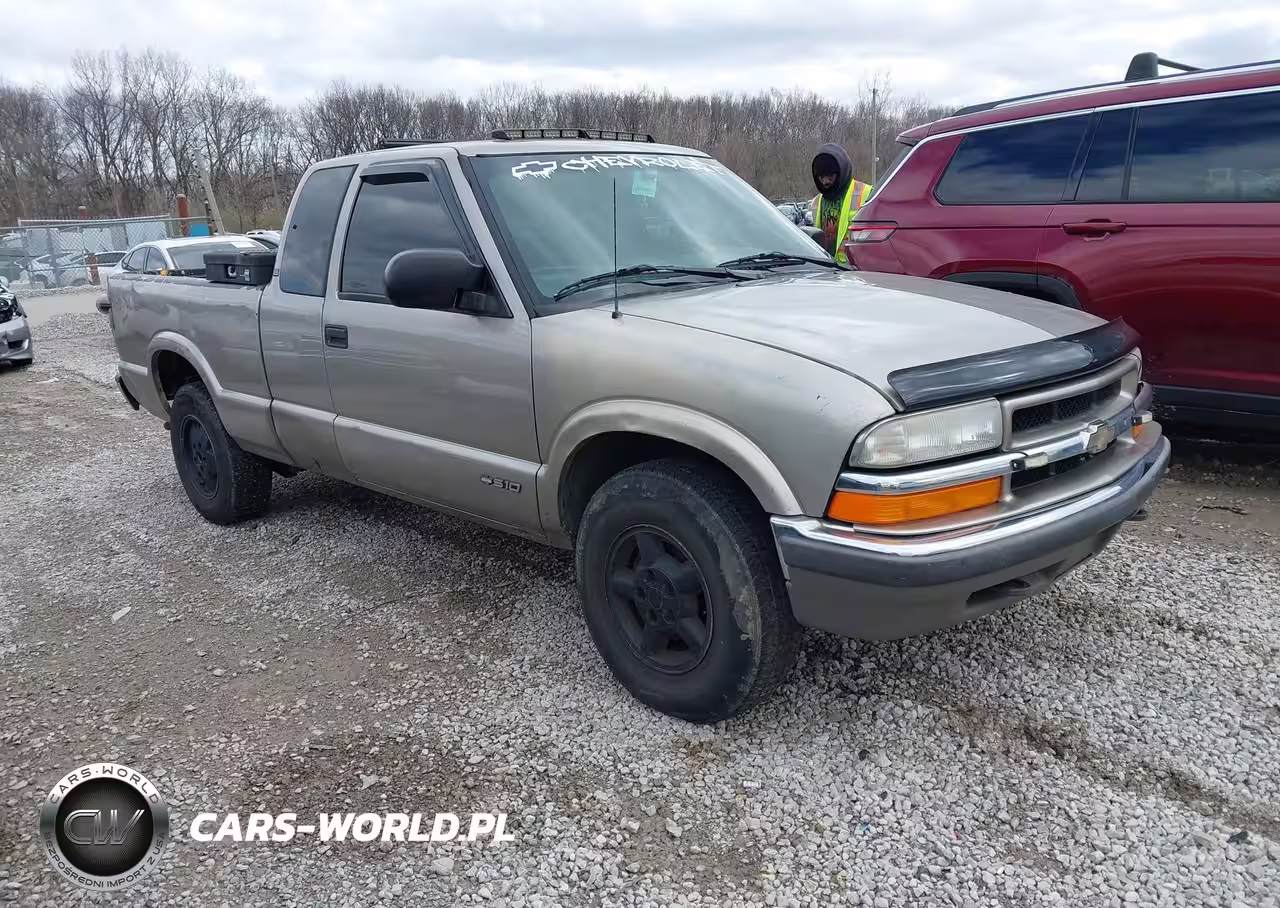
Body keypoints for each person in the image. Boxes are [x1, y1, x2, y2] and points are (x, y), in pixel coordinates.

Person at [810, 143, 872, 264]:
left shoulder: (866, 193)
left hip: (856, 270)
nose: (825, 181)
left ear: (841, 171)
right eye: (821, 177)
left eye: (830, 176)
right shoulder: (816, 202)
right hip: (826, 269)